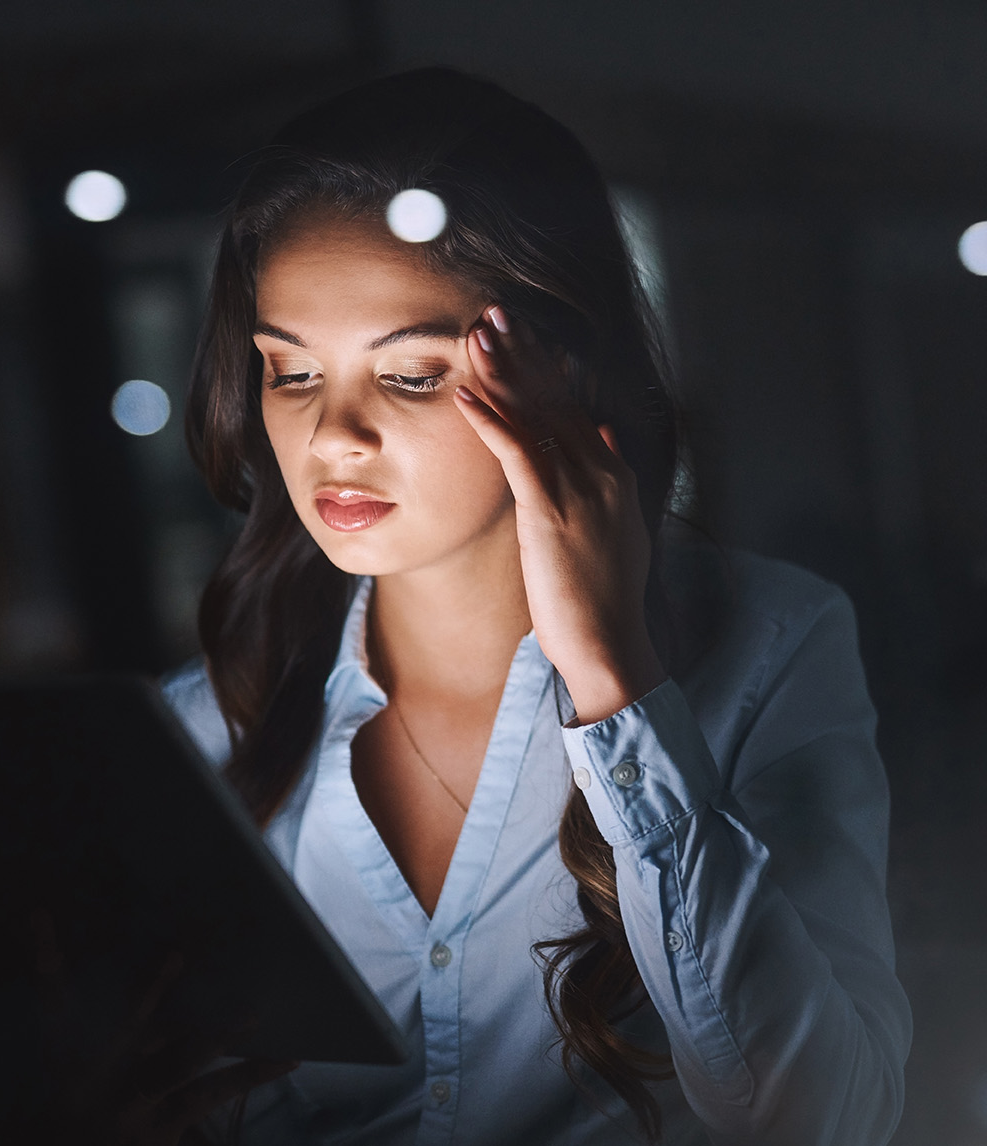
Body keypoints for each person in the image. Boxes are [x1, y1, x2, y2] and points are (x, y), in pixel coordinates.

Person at [158, 66, 911, 1145]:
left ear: (564, 366)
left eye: (410, 376)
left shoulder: (770, 646)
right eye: (289, 372)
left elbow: (824, 1119)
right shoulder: (212, 718)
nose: (333, 438)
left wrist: (616, 686)